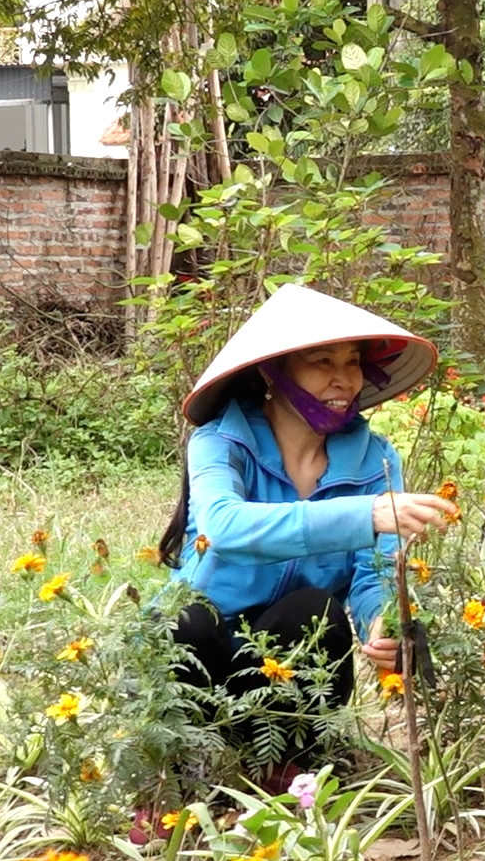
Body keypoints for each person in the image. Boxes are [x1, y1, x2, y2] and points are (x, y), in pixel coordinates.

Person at [159, 283, 457, 776]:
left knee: (315, 609)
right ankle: (179, 776)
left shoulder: (375, 458)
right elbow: (225, 525)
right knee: (186, 617)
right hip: (204, 661)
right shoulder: (218, 443)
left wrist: (382, 622)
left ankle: (288, 768)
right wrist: (364, 515)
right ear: (273, 373)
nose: (343, 380)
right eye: (322, 362)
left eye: (352, 362)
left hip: (287, 673)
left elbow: (375, 572)